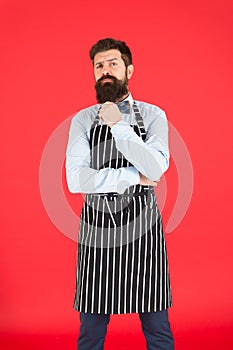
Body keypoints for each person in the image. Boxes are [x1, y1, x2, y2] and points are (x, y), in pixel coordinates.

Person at [65, 38, 174, 350]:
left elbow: (155, 167)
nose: (105, 71)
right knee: (90, 329)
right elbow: (75, 180)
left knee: (157, 326)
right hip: (97, 230)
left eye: (112, 63)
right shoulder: (83, 120)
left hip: (144, 231)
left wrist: (120, 127)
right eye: (99, 66)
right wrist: (132, 176)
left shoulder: (154, 115)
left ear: (129, 69)